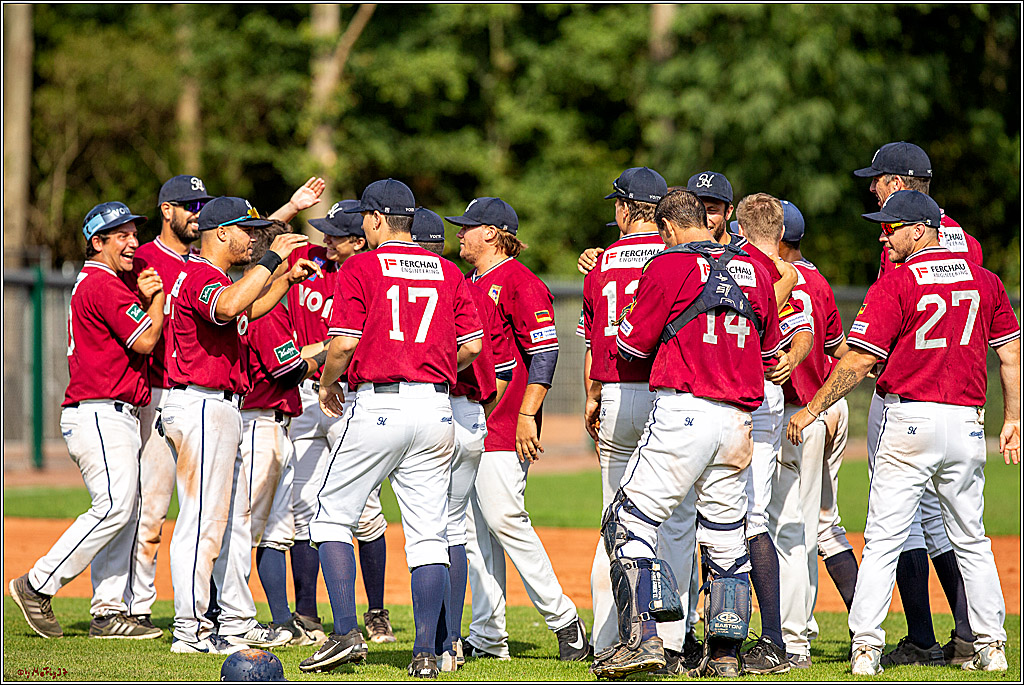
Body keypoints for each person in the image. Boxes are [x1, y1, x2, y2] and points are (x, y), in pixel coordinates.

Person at [787, 189, 1020, 675]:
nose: (883, 233)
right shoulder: (986, 280)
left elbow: (861, 358)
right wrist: (1014, 418)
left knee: (883, 538)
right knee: (971, 538)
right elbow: (1010, 354)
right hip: (966, 424)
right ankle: (992, 646)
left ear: (920, 229)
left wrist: (812, 407)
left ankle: (867, 650)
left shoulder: (898, 282)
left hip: (909, 420)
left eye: (891, 226)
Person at [593, 188, 784, 679]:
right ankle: (724, 656)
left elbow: (632, 345)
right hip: (739, 420)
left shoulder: (668, 263)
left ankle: (645, 640)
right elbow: (769, 352)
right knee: (725, 536)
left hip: (684, 410)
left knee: (628, 521)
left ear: (669, 228)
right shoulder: (758, 268)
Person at [298, 179, 484, 678]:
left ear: (378, 219)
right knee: (429, 534)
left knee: (331, 517)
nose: (362, 224)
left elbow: (340, 344)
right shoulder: (447, 270)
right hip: (438, 407)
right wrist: (433, 365)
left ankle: (343, 635)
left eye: (365, 216)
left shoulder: (360, 265)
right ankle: (428, 652)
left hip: (379, 403)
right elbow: (472, 348)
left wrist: (326, 383)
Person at [128, 176, 326, 628]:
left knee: (226, 521)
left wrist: (281, 280)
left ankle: (236, 619)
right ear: (222, 233)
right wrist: (274, 259)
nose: (253, 239)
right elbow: (229, 306)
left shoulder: (211, 274)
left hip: (214, 405)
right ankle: (191, 626)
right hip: (200, 403)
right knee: (202, 521)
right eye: (246, 231)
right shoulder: (200, 274)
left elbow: (246, 310)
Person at [10, 202, 165, 640]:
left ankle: (108, 612)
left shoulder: (106, 283)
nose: (133, 242)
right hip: (99, 411)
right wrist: (155, 299)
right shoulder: (102, 284)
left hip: (110, 411)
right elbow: (148, 340)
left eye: (134, 233)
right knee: (114, 507)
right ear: (97, 242)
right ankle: (37, 584)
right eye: (121, 235)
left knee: (123, 509)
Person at [853, 142, 982, 666]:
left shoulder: (899, 242)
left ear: (901, 184)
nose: (873, 188)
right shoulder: (967, 241)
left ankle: (921, 637)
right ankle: (970, 633)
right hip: (956, 399)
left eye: (879, 179)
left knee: (899, 519)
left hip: (905, 395)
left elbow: (893, 310)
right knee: (950, 521)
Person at [447, 197, 590, 661]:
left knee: (506, 518)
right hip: (473, 419)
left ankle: (565, 621)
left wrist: (529, 414)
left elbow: (545, 354)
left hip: (508, 422)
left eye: (469, 227)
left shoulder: (519, 281)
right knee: (476, 532)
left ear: (492, 233)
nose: (461, 234)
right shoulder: (470, 281)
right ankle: (489, 636)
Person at [579, 167, 700, 672]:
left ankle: (610, 635)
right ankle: (670, 639)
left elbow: (593, 343)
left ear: (629, 208)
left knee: (616, 520)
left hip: (614, 394)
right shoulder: (681, 257)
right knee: (673, 522)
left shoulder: (601, 263)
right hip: (665, 394)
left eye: (617, 203)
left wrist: (593, 397)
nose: (614, 211)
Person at [285, 199, 396, 647]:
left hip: (348, 395)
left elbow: (347, 342)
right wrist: (290, 207)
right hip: (303, 396)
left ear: (359, 237)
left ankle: (375, 613)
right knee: (300, 508)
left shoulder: (375, 274)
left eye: (334, 233)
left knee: (366, 513)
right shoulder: (308, 264)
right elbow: (250, 241)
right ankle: (307, 614)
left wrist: (312, 353)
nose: (324, 239)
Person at [409, 207, 514, 672]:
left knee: (431, 528)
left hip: (434, 406)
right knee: (454, 529)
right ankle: (450, 643)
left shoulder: (424, 284)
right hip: (470, 414)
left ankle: (430, 645)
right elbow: (483, 356)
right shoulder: (461, 283)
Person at [730, 193, 812, 674]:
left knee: (731, 516)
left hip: (737, 395)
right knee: (752, 516)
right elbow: (804, 330)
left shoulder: (736, 264)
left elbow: (797, 326)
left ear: (738, 228)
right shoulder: (785, 272)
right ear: (781, 234)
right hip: (764, 397)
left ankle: (758, 638)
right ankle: (768, 639)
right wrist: (793, 358)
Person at [125, 175, 211, 631]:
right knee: (151, 508)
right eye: (189, 204)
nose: (197, 212)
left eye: (202, 205)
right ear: (166, 210)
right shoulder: (142, 258)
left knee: (204, 509)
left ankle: (203, 604)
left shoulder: (203, 261)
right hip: (156, 391)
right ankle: (137, 604)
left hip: (198, 394)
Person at [772, 200, 854, 667]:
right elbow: (839, 349)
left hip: (800, 416)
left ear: (779, 239)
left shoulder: (773, 275)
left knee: (791, 528)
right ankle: (864, 620)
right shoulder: (819, 280)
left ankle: (796, 638)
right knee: (825, 523)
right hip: (833, 408)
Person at [238, 220, 324, 644]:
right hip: (258, 424)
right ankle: (228, 615)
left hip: (276, 427)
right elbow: (287, 369)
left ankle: (281, 620)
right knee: (246, 530)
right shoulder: (265, 309)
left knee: (276, 533)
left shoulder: (272, 299)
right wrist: (336, 348)